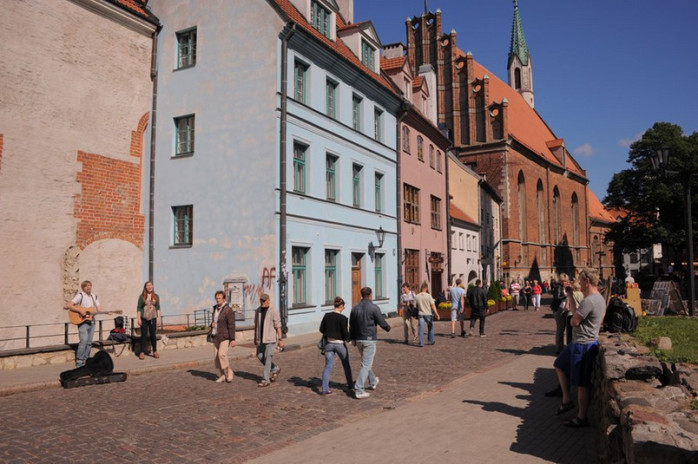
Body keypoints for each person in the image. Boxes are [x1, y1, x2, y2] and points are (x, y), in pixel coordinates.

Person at [553, 268, 606, 427]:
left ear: (587, 281)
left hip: (584, 344)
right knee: (559, 365)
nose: (579, 283)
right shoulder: (598, 298)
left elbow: (574, 321)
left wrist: (574, 320)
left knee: (582, 383)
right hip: (579, 342)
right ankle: (566, 399)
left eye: (581, 281)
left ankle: (581, 417)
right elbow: (578, 316)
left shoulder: (590, 301)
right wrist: (570, 295)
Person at [349, 287, 391, 399]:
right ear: (371, 295)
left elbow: (351, 324)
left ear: (361, 295)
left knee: (365, 362)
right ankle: (359, 389)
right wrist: (387, 328)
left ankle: (373, 381)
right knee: (366, 364)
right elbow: (381, 321)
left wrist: (352, 338)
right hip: (369, 339)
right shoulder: (374, 307)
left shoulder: (355, 308)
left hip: (358, 339)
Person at [319, 297, 353, 395]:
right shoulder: (343, 318)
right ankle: (350, 384)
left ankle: (325, 389)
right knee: (346, 365)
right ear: (341, 306)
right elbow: (345, 333)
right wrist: (350, 340)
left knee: (328, 366)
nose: (343, 308)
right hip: (340, 345)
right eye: (343, 307)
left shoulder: (327, 316)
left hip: (328, 344)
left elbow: (321, 329)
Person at [66, 280, 103, 368]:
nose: (88, 287)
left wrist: (107, 312)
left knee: (89, 342)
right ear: (83, 288)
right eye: (86, 286)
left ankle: (86, 359)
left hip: (92, 321)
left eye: (90, 285)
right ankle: (79, 360)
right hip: (82, 321)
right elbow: (69, 305)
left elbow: (99, 308)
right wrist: (80, 310)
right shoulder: (80, 295)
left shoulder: (94, 296)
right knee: (84, 340)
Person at [254, 293, 284, 387]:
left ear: (268, 301)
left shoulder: (274, 311)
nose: (262, 302)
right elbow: (256, 325)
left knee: (267, 358)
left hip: (270, 339)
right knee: (260, 356)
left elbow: (278, 326)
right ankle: (275, 369)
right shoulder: (258, 310)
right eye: (261, 300)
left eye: (264, 300)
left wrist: (280, 339)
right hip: (260, 339)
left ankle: (265, 380)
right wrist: (255, 338)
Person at [211, 290, 236, 383]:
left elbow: (231, 325)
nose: (218, 300)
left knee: (222, 354)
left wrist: (232, 339)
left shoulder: (228, 310)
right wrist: (211, 324)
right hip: (215, 335)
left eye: (219, 298)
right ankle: (222, 375)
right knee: (216, 357)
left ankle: (229, 371)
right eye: (216, 298)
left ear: (224, 299)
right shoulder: (215, 308)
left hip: (225, 336)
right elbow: (214, 321)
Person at [136, 280, 162, 360]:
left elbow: (158, 308)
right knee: (143, 335)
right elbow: (139, 308)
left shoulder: (156, 296)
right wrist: (138, 319)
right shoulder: (142, 297)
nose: (149, 287)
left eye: (150, 285)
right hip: (144, 318)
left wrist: (159, 318)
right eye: (147, 285)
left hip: (153, 318)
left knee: (153, 335)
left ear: (152, 286)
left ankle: (155, 351)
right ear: (145, 287)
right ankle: (142, 352)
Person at [552, 274, 570, 354]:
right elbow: (557, 297)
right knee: (560, 329)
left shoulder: (567, 287)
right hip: (559, 309)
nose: (565, 282)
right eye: (563, 281)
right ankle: (559, 348)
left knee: (567, 329)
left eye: (566, 281)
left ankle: (565, 346)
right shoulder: (557, 287)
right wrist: (566, 296)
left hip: (566, 309)